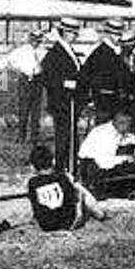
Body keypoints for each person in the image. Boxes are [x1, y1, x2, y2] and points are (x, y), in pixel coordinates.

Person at [26, 145, 106, 231]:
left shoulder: (32, 183)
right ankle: (99, 213)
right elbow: (72, 197)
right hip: (68, 222)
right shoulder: (63, 177)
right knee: (79, 189)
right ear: (53, 162)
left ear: (33, 166)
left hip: (46, 225)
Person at [41, 16, 83, 173]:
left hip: (71, 102)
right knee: (63, 138)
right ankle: (60, 168)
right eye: (71, 32)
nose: (74, 35)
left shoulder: (70, 50)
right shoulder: (56, 52)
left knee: (70, 137)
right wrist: (66, 84)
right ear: (63, 32)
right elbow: (46, 77)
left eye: (75, 32)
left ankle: (70, 167)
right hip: (61, 103)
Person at [77, 111, 135, 197]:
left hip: (104, 164)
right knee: (133, 167)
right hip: (92, 168)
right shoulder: (104, 133)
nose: (129, 129)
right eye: (128, 126)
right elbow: (104, 162)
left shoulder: (119, 131)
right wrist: (127, 158)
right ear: (120, 123)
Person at [78, 17, 131, 126]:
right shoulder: (100, 53)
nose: (118, 38)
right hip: (104, 104)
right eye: (115, 34)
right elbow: (85, 76)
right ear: (107, 34)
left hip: (113, 103)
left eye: (119, 34)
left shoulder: (114, 53)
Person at [6, 31, 44, 144]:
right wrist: (19, 70)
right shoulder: (21, 51)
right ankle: (21, 136)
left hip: (37, 80)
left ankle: (34, 137)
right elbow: (10, 61)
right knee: (24, 110)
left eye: (38, 40)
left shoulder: (42, 51)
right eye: (34, 39)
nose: (36, 42)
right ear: (29, 39)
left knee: (36, 111)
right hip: (25, 80)